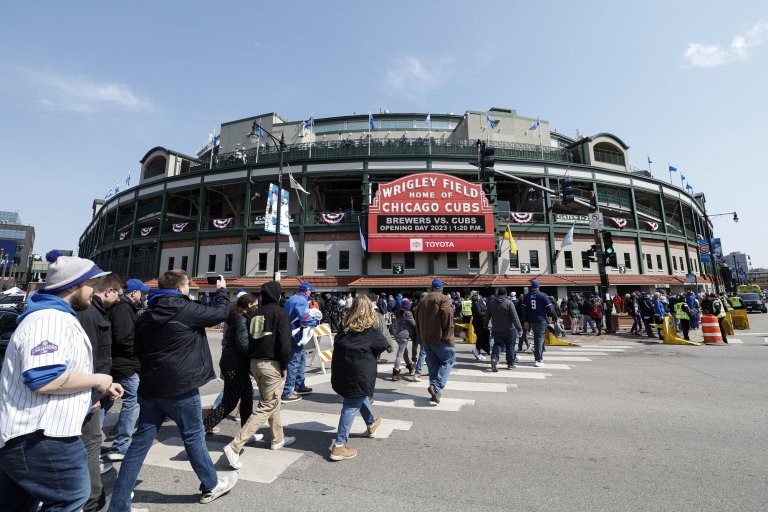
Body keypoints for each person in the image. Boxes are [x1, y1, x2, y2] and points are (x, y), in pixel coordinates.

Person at [0, 250, 122, 512]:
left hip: (35, 433)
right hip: (40, 434)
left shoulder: (56, 316)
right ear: (73, 286)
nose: (95, 291)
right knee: (71, 496)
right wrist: (98, 379)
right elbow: (45, 377)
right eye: (91, 285)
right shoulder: (50, 319)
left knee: (17, 504)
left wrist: (94, 386)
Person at [108, 271, 237, 510]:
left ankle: (119, 503)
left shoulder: (146, 314)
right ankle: (210, 483)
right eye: (187, 285)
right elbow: (220, 313)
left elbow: (136, 349)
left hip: (150, 387)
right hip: (181, 388)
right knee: (193, 436)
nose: (189, 288)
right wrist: (221, 290)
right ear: (180, 288)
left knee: (139, 445)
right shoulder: (184, 309)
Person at [222, 282, 295, 470]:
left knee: (272, 401)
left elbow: (249, 341)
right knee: (267, 404)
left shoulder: (255, 314)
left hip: (255, 363)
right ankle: (235, 445)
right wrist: (285, 364)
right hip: (272, 363)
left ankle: (277, 438)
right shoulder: (280, 313)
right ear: (278, 296)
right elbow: (284, 344)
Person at [78, 273, 123, 512]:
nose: (119, 299)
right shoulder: (88, 314)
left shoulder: (95, 312)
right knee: (91, 442)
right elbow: (86, 359)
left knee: (90, 442)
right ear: (108, 291)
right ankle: (92, 501)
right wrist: (93, 394)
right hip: (88, 393)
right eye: (117, 293)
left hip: (94, 389)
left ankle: (90, 498)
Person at [328, 295, 389, 461]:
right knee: (350, 405)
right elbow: (383, 344)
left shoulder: (344, 328)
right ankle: (339, 445)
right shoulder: (370, 331)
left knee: (358, 396)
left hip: (342, 371)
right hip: (360, 373)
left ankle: (371, 423)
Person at [102, 278, 149, 463]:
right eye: (141, 292)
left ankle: (90, 444)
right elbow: (124, 338)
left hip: (114, 363)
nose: (142, 295)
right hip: (125, 365)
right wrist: (137, 354)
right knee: (132, 401)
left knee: (104, 402)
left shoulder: (117, 307)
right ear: (133, 293)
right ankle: (120, 447)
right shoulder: (124, 309)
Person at [204, 293, 259, 435]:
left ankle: (246, 433)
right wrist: (254, 354)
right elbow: (242, 343)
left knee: (247, 398)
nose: (257, 307)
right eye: (256, 305)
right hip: (235, 366)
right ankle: (202, 428)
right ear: (249, 306)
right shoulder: (241, 319)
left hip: (236, 365)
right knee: (229, 402)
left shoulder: (240, 317)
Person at [414, 279, 455, 404]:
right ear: (441, 288)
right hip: (440, 338)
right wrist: (448, 334)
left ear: (431, 288)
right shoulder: (443, 298)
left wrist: (421, 336)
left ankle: (434, 393)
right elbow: (447, 315)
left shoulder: (422, 301)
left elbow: (417, 319)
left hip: (426, 339)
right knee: (448, 361)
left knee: (433, 366)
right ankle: (436, 387)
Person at [282, 282, 319, 402]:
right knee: (295, 361)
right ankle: (288, 392)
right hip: (296, 334)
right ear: (307, 291)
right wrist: (315, 321)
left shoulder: (293, 298)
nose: (311, 293)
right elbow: (305, 318)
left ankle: (299, 386)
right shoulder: (301, 301)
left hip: (291, 332)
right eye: (310, 291)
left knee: (301, 358)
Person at [485, 288, 523, 371]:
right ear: (506, 294)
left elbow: (487, 316)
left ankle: (494, 359)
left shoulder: (491, 303)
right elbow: (515, 317)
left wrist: (486, 325)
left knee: (497, 345)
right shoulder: (509, 303)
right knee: (510, 346)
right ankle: (510, 364)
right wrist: (519, 329)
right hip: (509, 329)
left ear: (498, 293)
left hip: (496, 329)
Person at [522, 280, 554, 367]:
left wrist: (525, 321)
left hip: (531, 320)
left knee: (538, 338)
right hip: (541, 319)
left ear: (531, 287)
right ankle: (538, 359)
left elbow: (524, 310)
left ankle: (540, 357)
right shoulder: (543, 295)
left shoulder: (526, 296)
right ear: (538, 286)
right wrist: (555, 317)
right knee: (539, 339)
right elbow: (550, 309)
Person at [392, 299, 417, 380]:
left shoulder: (398, 313)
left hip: (397, 335)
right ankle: (395, 372)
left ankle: (409, 366)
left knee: (404, 352)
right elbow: (414, 324)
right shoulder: (408, 313)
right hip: (404, 336)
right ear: (408, 306)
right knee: (400, 354)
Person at [470, 291, 490, 360]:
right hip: (479, 323)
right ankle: (477, 351)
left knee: (485, 335)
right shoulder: (475, 303)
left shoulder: (480, 302)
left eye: (478, 294)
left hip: (483, 322)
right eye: (476, 295)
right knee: (480, 337)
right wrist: (487, 312)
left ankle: (485, 350)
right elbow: (479, 313)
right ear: (473, 296)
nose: (478, 295)